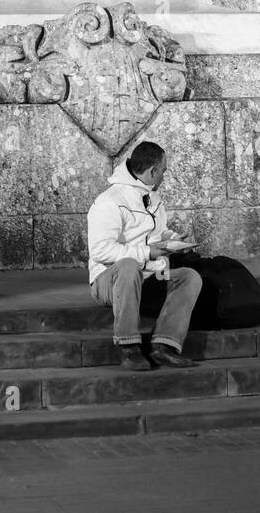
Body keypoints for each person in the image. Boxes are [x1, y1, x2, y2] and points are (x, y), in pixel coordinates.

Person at [87, 140, 202, 371]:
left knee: (189, 276)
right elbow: (100, 250)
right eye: (163, 172)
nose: (163, 177)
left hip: (148, 278)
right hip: (108, 281)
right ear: (152, 171)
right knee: (129, 265)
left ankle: (164, 346)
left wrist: (175, 240)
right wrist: (146, 252)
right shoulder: (109, 201)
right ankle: (129, 347)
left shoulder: (154, 199)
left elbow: (155, 235)